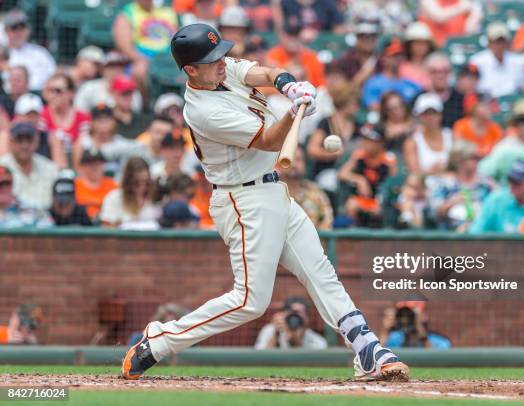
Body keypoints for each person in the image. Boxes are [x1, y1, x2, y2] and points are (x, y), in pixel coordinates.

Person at [122, 23, 409, 382]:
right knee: (250, 301)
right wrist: (292, 114)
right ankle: (161, 340)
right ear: (191, 70)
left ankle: (367, 349)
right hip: (242, 199)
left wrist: (289, 85)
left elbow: (264, 72)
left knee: (320, 272)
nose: (223, 61)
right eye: (212, 59)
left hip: (273, 190)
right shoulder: (203, 110)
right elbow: (271, 141)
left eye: (222, 53)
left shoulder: (223, 70)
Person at [429, 140, 494, 232]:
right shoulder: (442, 183)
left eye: (478, 157)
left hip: (482, 232)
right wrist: (452, 202)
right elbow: (433, 213)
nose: (477, 160)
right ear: (459, 160)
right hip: (451, 235)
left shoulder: (486, 183)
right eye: (473, 157)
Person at [339, 125, 397, 227]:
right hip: (363, 199)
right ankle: (352, 237)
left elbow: (394, 184)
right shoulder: (359, 156)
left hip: (380, 200)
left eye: (370, 140)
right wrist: (359, 180)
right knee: (351, 204)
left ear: (381, 143)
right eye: (364, 139)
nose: (365, 143)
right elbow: (342, 174)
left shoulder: (389, 160)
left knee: (379, 210)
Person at [112, 0, 178, 89]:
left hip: (168, 57)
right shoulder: (128, 13)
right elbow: (124, 45)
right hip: (143, 56)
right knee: (140, 70)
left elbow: (177, 38)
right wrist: (141, 59)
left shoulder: (167, 11)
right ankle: (147, 102)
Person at [479, 99, 524, 184]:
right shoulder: (505, 146)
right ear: (515, 123)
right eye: (522, 120)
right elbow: (484, 172)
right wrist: (496, 189)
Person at [470, 160, 524, 233]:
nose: (511, 185)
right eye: (510, 180)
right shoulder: (495, 201)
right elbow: (476, 233)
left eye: (517, 182)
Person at [307, 84, 360, 187]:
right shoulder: (326, 122)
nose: (357, 106)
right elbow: (312, 149)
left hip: (350, 170)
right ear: (344, 102)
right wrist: (331, 154)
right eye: (354, 103)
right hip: (328, 169)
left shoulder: (358, 124)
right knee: (330, 182)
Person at [72, 106, 146, 178]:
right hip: (91, 185)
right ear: (92, 122)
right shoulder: (83, 142)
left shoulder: (121, 143)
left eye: (106, 119)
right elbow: (78, 171)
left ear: (114, 121)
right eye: (99, 120)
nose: (103, 123)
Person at [0, 122, 58, 209]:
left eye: (29, 140)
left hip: (46, 218)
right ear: (11, 141)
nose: (24, 145)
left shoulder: (49, 167)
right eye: (19, 140)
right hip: (10, 219)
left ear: (37, 141)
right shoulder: (2, 167)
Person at [40, 73, 91, 167]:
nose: (54, 95)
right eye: (50, 91)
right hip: (49, 161)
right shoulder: (42, 116)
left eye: (58, 91)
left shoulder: (82, 117)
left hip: (77, 160)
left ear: (71, 93)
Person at [277, 147, 333, 230]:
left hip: (311, 241)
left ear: (305, 164)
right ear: (279, 163)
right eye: (289, 159)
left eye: (298, 159)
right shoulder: (271, 192)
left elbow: (326, 224)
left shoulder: (316, 193)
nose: (293, 164)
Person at [469, 22, 524, 98]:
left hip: (511, 101)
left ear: (507, 43)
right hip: (485, 100)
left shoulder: (517, 61)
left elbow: (522, 87)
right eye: (496, 42)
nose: (499, 45)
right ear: (489, 43)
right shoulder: (477, 61)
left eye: (502, 41)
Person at [100, 156, 160, 230]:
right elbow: (106, 228)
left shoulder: (155, 197)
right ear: (128, 181)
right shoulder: (114, 198)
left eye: (146, 182)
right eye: (136, 183)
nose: (142, 187)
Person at [74, 51, 144, 114]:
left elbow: (134, 116)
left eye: (119, 67)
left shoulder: (132, 90)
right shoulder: (89, 87)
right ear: (102, 70)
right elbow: (79, 112)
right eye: (111, 67)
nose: (115, 71)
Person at [4, 9, 56, 91]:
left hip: (37, 96)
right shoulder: (2, 54)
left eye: (22, 27)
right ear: (6, 31)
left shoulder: (40, 53)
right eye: (14, 28)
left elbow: (53, 77)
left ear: (28, 30)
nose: (18, 32)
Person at [361, 39, 422, 110]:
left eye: (400, 55)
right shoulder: (373, 84)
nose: (397, 58)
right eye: (393, 55)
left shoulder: (412, 84)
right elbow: (373, 107)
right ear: (383, 58)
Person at [404, 93, 453, 175]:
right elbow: (414, 173)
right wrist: (434, 171)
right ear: (419, 116)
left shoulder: (452, 136)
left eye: (434, 113)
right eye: (425, 114)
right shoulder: (412, 142)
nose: (430, 117)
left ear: (440, 114)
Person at [266, 21, 326, 88]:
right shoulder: (273, 55)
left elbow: (320, 84)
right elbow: (268, 86)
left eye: (296, 35)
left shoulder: (311, 56)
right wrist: (287, 69)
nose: (293, 39)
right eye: (289, 35)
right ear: (281, 36)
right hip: (281, 96)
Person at [254, 296, 327, 350]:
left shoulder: (317, 342)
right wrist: (276, 334)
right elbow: (259, 358)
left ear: (307, 318)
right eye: (292, 313)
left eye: (299, 313)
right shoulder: (270, 330)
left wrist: (297, 341)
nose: (295, 318)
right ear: (283, 314)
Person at [379, 301, 451, 348]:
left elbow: (438, 359)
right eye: (402, 314)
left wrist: (421, 330)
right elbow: (377, 357)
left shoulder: (440, 341)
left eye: (410, 315)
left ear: (424, 315)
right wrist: (385, 331)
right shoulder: (394, 338)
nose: (406, 318)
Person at [330, 19, 379, 85]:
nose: (369, 39)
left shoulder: (382, 59)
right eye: (364, 36)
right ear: (357, 38)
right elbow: (340, 87)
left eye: (373, 36)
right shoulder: (346, 59)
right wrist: (362, 76)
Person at [74, 150, 118, 222]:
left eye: (98, 163)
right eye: (90, 164)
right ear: (82, 166)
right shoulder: (75, 185)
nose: (95, 167)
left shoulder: (113, 185)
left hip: (108, 225)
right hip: (82, 225)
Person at [418, 0, 482, 47]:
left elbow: (470, 29)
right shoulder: (427, 1)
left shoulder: (463, 2)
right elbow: (438, 17)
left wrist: (474, 15)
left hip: (458, 46)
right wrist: (461, 7)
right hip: (433, 47)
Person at [425, 52, 464, 128]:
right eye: (435, 72)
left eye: (445, 71)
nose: (441, 76)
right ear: (428, 73)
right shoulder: (419, 98)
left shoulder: (461, 99)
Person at [110, 75, 152, 139]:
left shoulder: (142, 119)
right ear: (113, 94)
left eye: (130, 93)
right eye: (124, 93)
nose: (128, 97)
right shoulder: (107, 118)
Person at [399, 22, 436, 89]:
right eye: (417, 43)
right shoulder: (401, 67)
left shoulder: (434, 66)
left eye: (424, 43)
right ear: (409, 45)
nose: (420, 47)